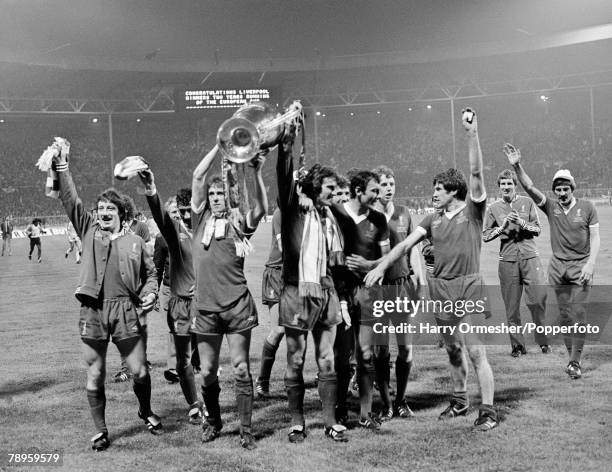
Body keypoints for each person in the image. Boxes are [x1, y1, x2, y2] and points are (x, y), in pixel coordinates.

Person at [365, 108, 499, 432]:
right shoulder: (432, 219)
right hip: (440, 288)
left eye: (438, 188)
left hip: (467, 286)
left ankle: (489, 411)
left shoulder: (473, 211)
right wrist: (382, 266)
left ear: (453, 190)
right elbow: (404, 245)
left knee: (475, 349)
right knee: (453, 349)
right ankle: (460, 400)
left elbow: (477, 173)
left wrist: (472, 134)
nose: (434, 192)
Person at [53, 144, 160, 451]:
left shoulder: (136, 241)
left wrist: (151, 292)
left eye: (110, 209)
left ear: (122, 212)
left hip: (126, 310)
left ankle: (146, 410)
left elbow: (151, 274)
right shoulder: (87, 229)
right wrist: (63, 169)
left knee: (139, 370)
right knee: (96, 372)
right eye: (100, 209)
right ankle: (101, 430)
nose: (104, 213)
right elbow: (71, 200)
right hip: (93, 311)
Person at [191, 145, 267, 450]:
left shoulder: (239, 224)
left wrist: (257, 172)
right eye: (212, 195)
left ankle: (246, 429)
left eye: (220, 194)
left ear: (229, 197)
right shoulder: (199, 222)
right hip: (206, 308)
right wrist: (219, 146)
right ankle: (214, 421)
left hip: (236, 305)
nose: (215, 199)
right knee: (208, 370)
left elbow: (260, 209)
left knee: (240, 368)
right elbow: (198, 175)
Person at [504, 143, 600, 379]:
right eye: (558, 189)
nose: (561, 193)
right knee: (566, 315)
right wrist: (517, 165)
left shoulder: (588, 207)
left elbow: (596, 238)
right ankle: (571, 360)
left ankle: (575, 362)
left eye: (565, 188)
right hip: (557, 267)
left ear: (572, 188)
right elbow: (528, 186)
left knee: (578, 312)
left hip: (580, 266)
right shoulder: (551, 207)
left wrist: (591, 264)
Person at [276, 127, 348, 443]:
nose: (335, 193)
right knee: (295, 357)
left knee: (327, 358)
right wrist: (286, 146)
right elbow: (283, 175)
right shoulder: (295, 210)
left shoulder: (329, 216)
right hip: (297, 291)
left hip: (327, 290)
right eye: (330, 188)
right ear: (315, 187)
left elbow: (337, 262)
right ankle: (297, 421)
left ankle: (330, 421)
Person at [138, 170, 203, 424]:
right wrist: (152, 189)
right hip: (180, 305)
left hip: (206, 304)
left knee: (206, 360)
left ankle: (211, 403)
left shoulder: (206, 229)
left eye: (191, 209)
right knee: (184, 360)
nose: (186, 215)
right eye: (183, 209)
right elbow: (160, 215)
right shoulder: (173, 233)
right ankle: (195, 404)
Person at [329, 170, 389, 430]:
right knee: (341, 356)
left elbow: (387, 258)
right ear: (357, 190)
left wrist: (369, 264)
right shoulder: (334, 214)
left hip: (368, 292)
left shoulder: (378, 219)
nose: (378, 195)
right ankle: (340, 407)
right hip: (340, 293)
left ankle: (366, 413)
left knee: (366, 354)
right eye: (374, 190)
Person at [372, 164, 425, 420]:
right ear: (375, 188)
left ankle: (401, 400)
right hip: (377, 292)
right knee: (380, 351)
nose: (389, 189)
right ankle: (385, 404)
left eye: (392, 184)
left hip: (401, 288)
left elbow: (413, 249)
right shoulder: (367, 217)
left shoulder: (404, 213)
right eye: (384, 184)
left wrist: (420, 282)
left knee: (405, 349)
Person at [483, 169, 549, 356]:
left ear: (515, 185)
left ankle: (542, 340)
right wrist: (502, 227)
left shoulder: (527, 203)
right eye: (502, 184)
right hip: (508, 261)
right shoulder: (493, 208)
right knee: (511, 306)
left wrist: (521, 223)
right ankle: (517, 345)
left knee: (537, 301)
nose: (506, 187)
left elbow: (537, 229)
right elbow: (485, 236)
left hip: (530, 257)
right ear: (499, 187)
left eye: (509, 183)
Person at [255, 207, 285, 398]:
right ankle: (262, 379)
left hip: (297, 275)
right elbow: (285, 247)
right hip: (277, 272)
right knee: (278, 330)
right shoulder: (281, 212)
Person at [153, 197, 180, 384]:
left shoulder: (193, 234)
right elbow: (157, 267)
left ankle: (193, 362)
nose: (177, 215)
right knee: (172, 329)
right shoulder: (161, 238)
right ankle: (172, 368)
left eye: (178, 211)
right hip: (169, 290)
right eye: (173, 213)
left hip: (190, 290)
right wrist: (154, 292)